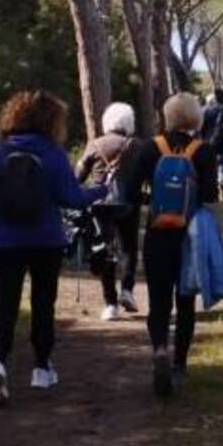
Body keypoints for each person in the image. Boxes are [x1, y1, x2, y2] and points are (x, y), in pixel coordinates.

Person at [0, 89, 105, 405]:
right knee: (43, 304)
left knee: (5, 304)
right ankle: (42, 368)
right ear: (53, 121)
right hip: (45, 240)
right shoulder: (52, 152)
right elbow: (71, 198)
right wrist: (99, 192)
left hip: (3, 241)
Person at [111, 92, 219, 398]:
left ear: (168, 115)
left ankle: (159, 348)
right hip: (189, 237)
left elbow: (130, 191)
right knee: (185, 302)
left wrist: (154, 199)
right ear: (195, 117)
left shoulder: (151, 147)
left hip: (158, 234)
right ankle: (179, 364)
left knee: (159, 301)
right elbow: (211, 195)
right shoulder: (204, 151)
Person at [76, 102, 155, 321]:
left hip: (100, 205)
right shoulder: (140, 146)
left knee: (104, 250)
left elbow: (78, 177)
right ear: (129, 122)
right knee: (128, 249)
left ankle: (110, 304)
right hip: (129, 204)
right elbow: (151, 179)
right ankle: (127, 290)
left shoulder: (95, 144)